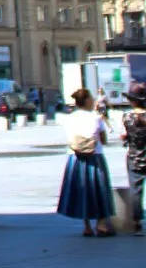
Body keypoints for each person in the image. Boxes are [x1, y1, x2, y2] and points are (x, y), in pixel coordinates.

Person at [57, 88, 115, 236]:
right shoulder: (96, 118)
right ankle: (101, 224)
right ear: (87, 100)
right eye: (91, 98)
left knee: (82, 191)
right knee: (99, 190)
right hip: (95, 156)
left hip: (75, 157)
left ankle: (87, 226)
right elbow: (103, 140)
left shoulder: (68, 118)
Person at [121, 84, 146, 234]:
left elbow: (124, 135)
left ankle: (137, 222)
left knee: (135, 190)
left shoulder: (127, 116)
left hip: (134, 157)